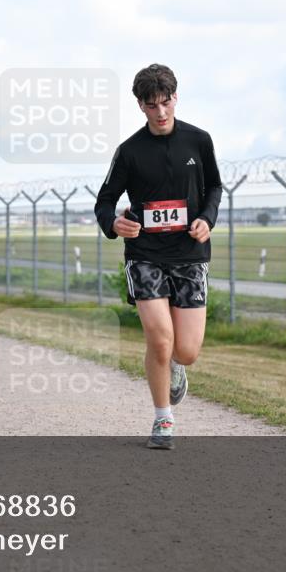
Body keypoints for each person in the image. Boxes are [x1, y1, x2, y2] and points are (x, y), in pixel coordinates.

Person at [94, 63, 222, 450]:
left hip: (189, 255)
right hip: (145, 255)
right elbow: (105, 202)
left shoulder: (199, 141)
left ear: (175, 98)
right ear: (140, 106)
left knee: (186, 350)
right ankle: (162, 418)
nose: (161, 112)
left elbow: (214, 187)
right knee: (159, 337)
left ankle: (176, 369)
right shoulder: (130, 152)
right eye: (152, 106)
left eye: (166, 103)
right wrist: (115, 224)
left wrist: (206, 218)